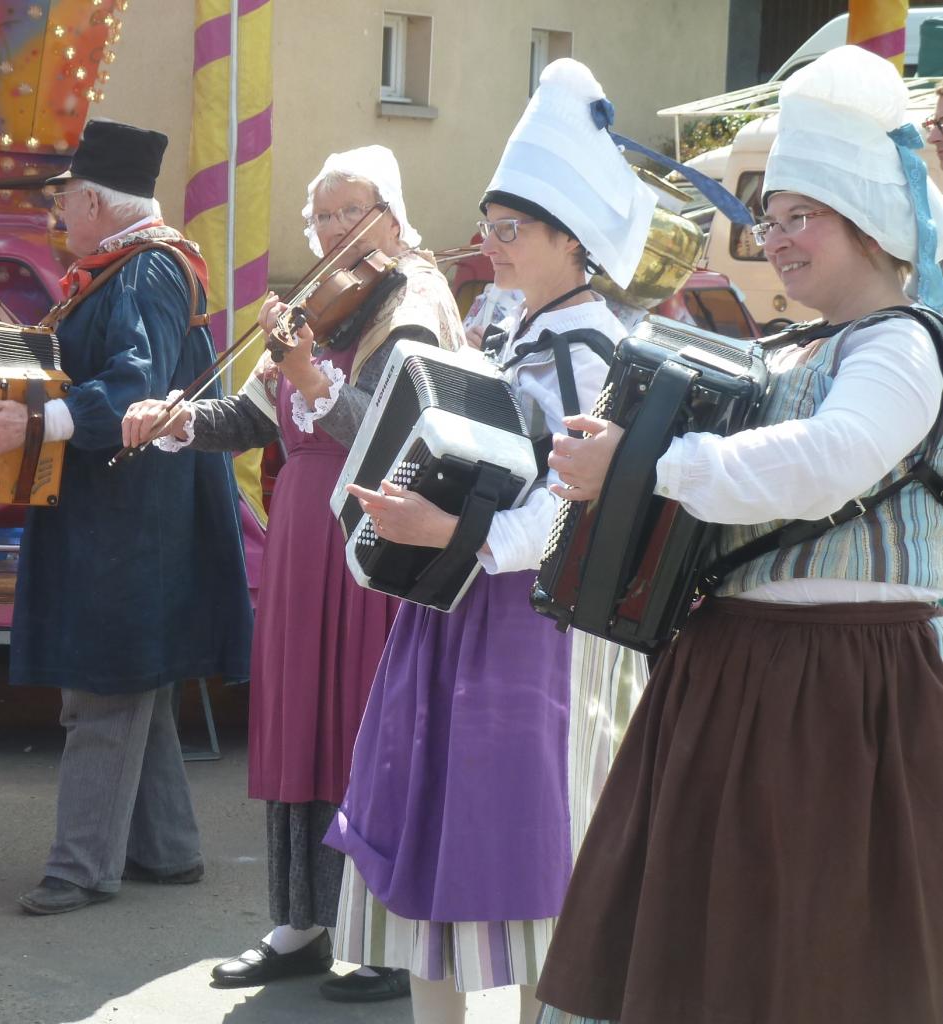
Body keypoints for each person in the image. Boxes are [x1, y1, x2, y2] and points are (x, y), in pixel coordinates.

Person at [535, 46, 943, 1024]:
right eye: (772, 213)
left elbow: (830, 460)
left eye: (801, 214)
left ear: (867, 219)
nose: (778, 237)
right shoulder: (800, 347)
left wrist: (646, 466)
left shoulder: (904, 344)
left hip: (840, 692)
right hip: (743, 676)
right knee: (713, 953)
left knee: (808, 956)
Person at [323, 60, 655, 1024]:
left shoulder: (596, 353)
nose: (491, 246)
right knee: (432, 839)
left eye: (510, 232)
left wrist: (450, 535)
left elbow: (576, 512)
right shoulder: (508, 326)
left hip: (533, 639)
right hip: (458, 617)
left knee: (525, 850)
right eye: (490, 226)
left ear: (571, 239)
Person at [122, 144, 466, 1002]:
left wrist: (312, 372)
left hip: (372, 537)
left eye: (352, 211)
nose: (336, 229)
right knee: (299, 720)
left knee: (362, 727)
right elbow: (253, 412)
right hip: (303, 542)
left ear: (390, 212)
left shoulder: (414, 298)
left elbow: (394, 433)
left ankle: (387, 934)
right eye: (323, 215)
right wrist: (177, 418)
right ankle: (300, 924)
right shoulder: (318, 301)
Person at [0, 119, 253, 915]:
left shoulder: (147, 272)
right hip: (128, 508)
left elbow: (138, 387)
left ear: (96, 198)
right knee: (136, 680)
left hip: (138, 517)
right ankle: (167, 851)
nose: (59, 217)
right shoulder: (127, 268)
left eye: (64, 201)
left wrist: (38, 422)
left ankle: (80, 868)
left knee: (103, 685)